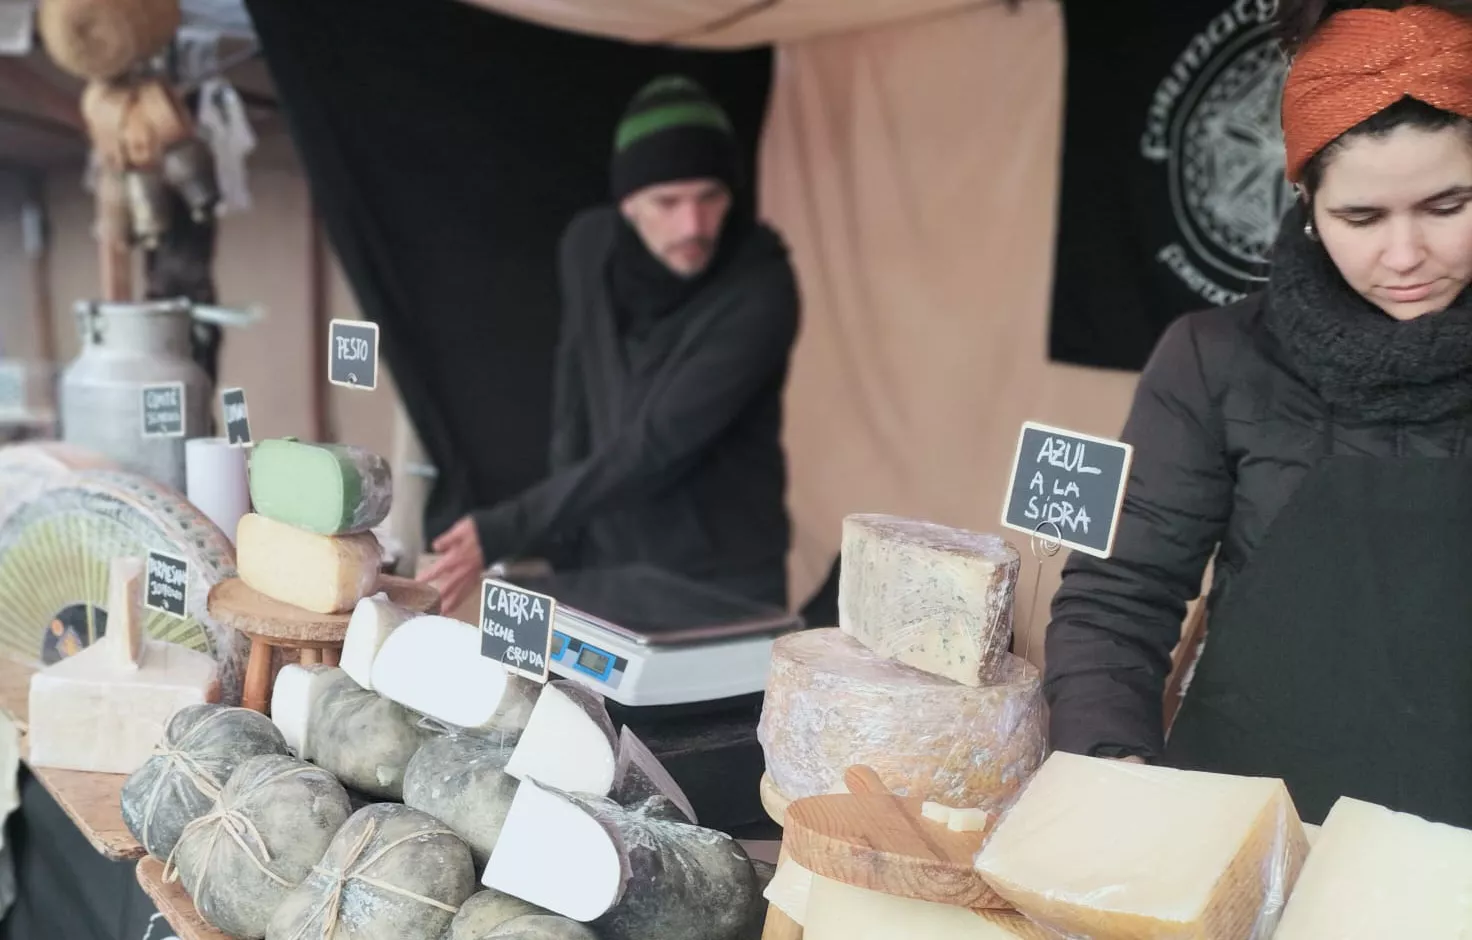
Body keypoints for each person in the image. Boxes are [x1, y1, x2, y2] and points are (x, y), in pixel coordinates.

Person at [1044, 0, 1472, 828]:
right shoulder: (1212, 359)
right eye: (1361, 217)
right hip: (1258, 824)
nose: (1405, 254)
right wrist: (1112, 769)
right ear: (1306, 200)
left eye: (1449, 207)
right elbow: (1118, 596)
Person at [420, 76, 800, 614]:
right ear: (627, 204)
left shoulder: (762, 287)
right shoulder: (589, 248)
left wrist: (508, 527)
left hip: (722, 578)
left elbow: (661, 441)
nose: (693, 225)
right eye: (667, 202)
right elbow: (572, 403)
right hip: (605, 560)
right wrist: (562, 544)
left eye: (710, 197)